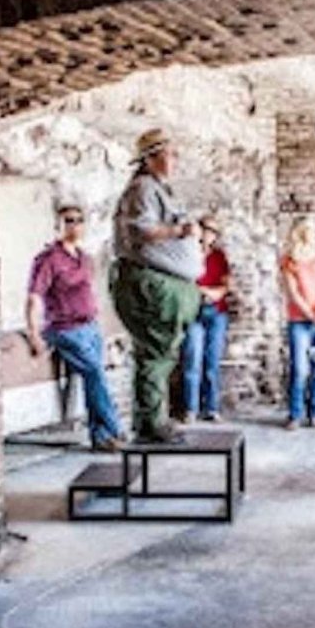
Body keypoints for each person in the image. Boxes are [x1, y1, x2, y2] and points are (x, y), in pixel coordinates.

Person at [113, 129, 204, 444]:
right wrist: (181, 231)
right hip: (152, 282)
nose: (175, 159)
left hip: (167, 282)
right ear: (150, 158)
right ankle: (152, 422)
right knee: (155, 353)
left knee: (161, 353)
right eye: (170, 153)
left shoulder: (158, 189)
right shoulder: (143, 189)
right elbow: (142, 229)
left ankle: (154, 418)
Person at [25, 203, 125, 452]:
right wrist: (34, 333)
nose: (74, 225)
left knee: (95, 379)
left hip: (89, 326)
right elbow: (34, 297)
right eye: (68, 220)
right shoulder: (48, 260)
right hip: (65, 329)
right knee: (95, 373)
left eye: (79, 220)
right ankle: (114, 429)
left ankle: (101, 437)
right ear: (58, 225)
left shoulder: (85, 259)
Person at [281, 217, 315, 429]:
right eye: (312, 229)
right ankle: (295, 414)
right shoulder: (289, 260)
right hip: (299, 320)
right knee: (299, 368)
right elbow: (293, 292)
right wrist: (310, 314)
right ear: (302, 232)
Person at [180, 215, 231, 423]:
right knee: (192, 360)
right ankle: (190, 409)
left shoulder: (219, 257)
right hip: (193, 312)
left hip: (216, 313)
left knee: (212, 361)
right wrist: (203, 290)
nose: (208, 235)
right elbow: (183, 284)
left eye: (213, 232)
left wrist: (214, 292)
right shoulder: (187, 255)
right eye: (205, 230)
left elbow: (226, 285)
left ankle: (211, 407)